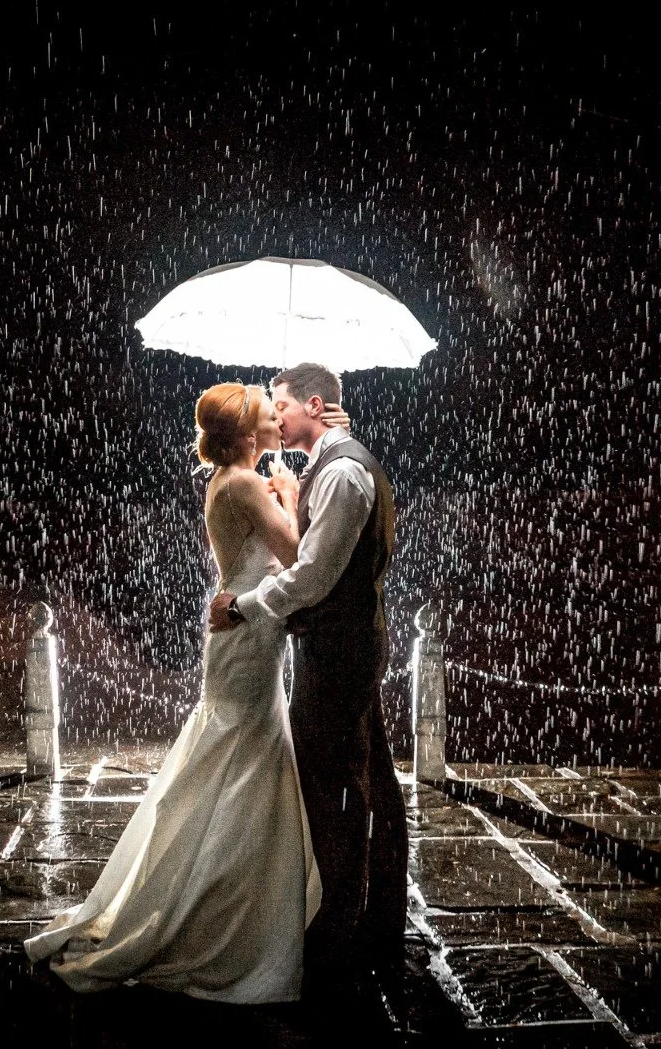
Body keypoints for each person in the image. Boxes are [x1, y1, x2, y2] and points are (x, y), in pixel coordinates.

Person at [25, 382, 347, 1004]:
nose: (280, 423)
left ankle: (223, 888)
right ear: (251, 438)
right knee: (244, 752)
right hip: (246, 634)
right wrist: (294, 494)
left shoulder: (228, 478)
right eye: (268, 416)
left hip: (243, 630)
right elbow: (299, 554)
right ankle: (216, 907)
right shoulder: (249, 485)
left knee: (235, 749)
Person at [208, 361, 407, 996]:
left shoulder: (342, 470)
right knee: (362, 778)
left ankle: (340, 940)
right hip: (334, 646)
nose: (276, 414)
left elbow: (312, 574)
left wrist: (245, 605)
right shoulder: (332, 464)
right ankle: (371, 923)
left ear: (312, 405)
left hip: (339, 651)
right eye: (268, 407)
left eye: (283, 404)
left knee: (336, 790)